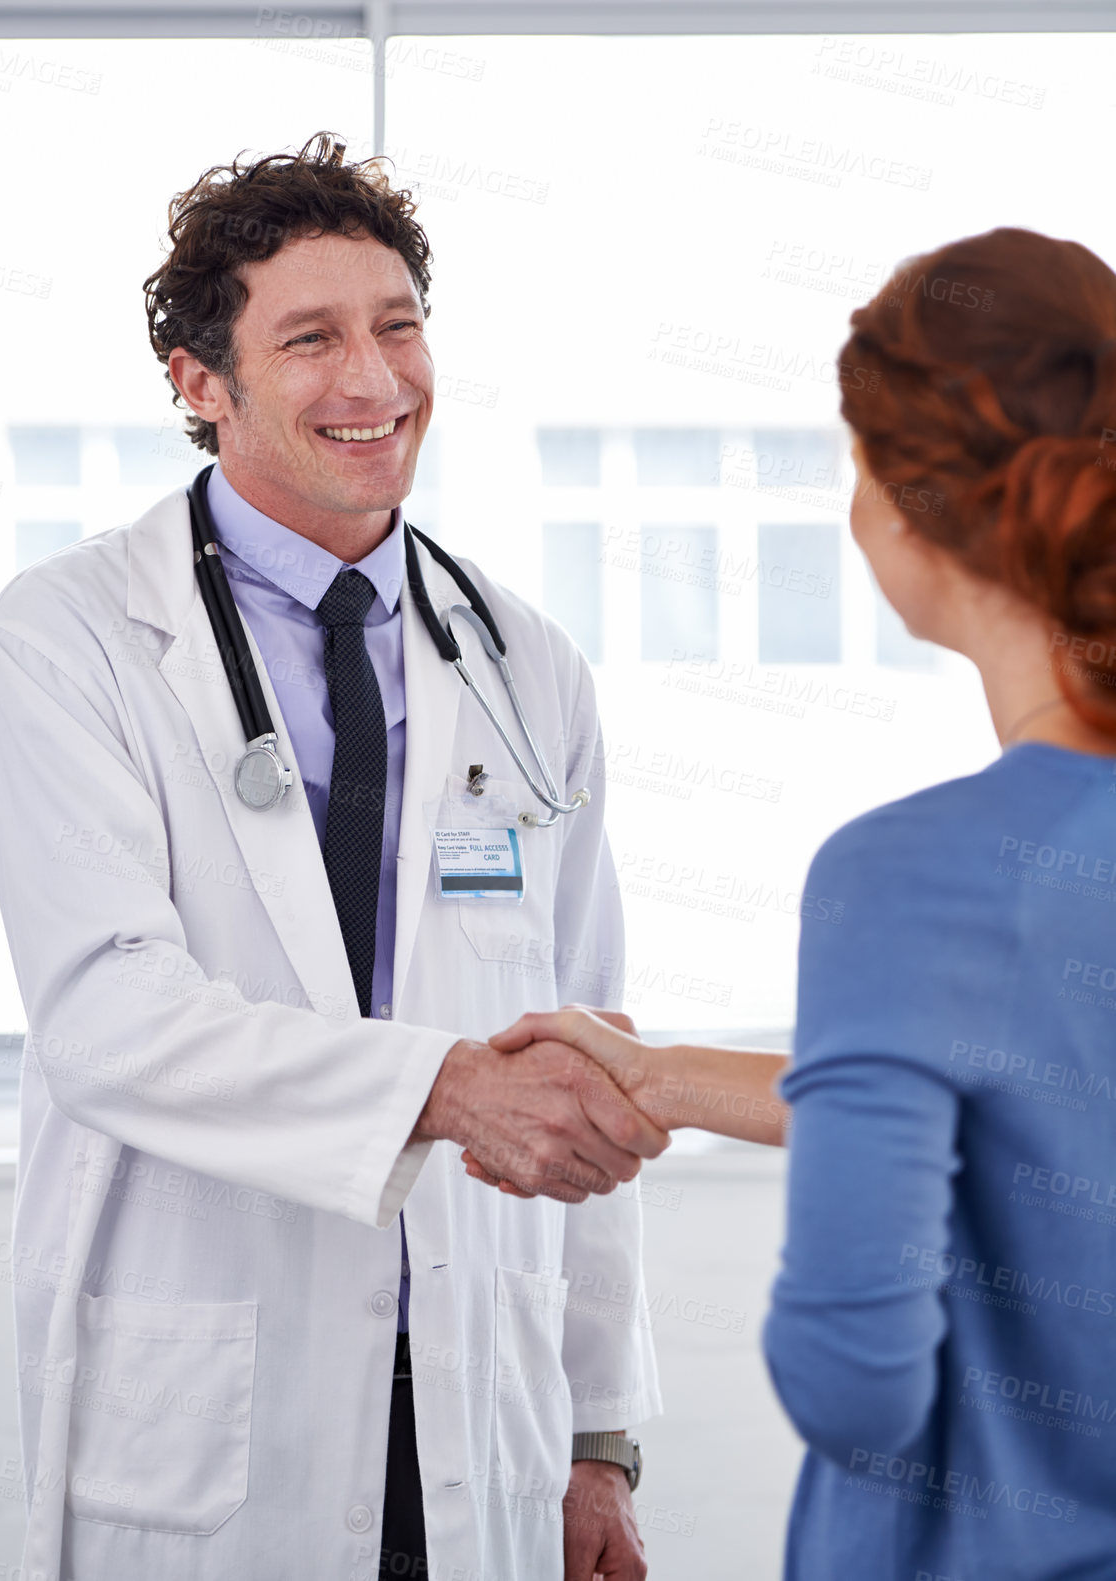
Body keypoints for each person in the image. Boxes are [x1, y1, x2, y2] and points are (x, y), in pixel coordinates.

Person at [0, 133, 667, 1581]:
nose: (375, 379)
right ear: (198, 382)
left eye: (398, 325)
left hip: (485, 1396)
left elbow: (590, 1047)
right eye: (312, 338)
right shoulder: (74, 638)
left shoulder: (528, 664)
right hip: (218, 1405)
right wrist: (445, 1089)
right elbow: (109, 1015)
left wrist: (599, 1438)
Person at [471, 227, 1116, 1578]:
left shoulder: (914, 875)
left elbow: (852, 1377)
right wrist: (663, 1081)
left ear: (907, 507)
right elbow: (1043, 1090)